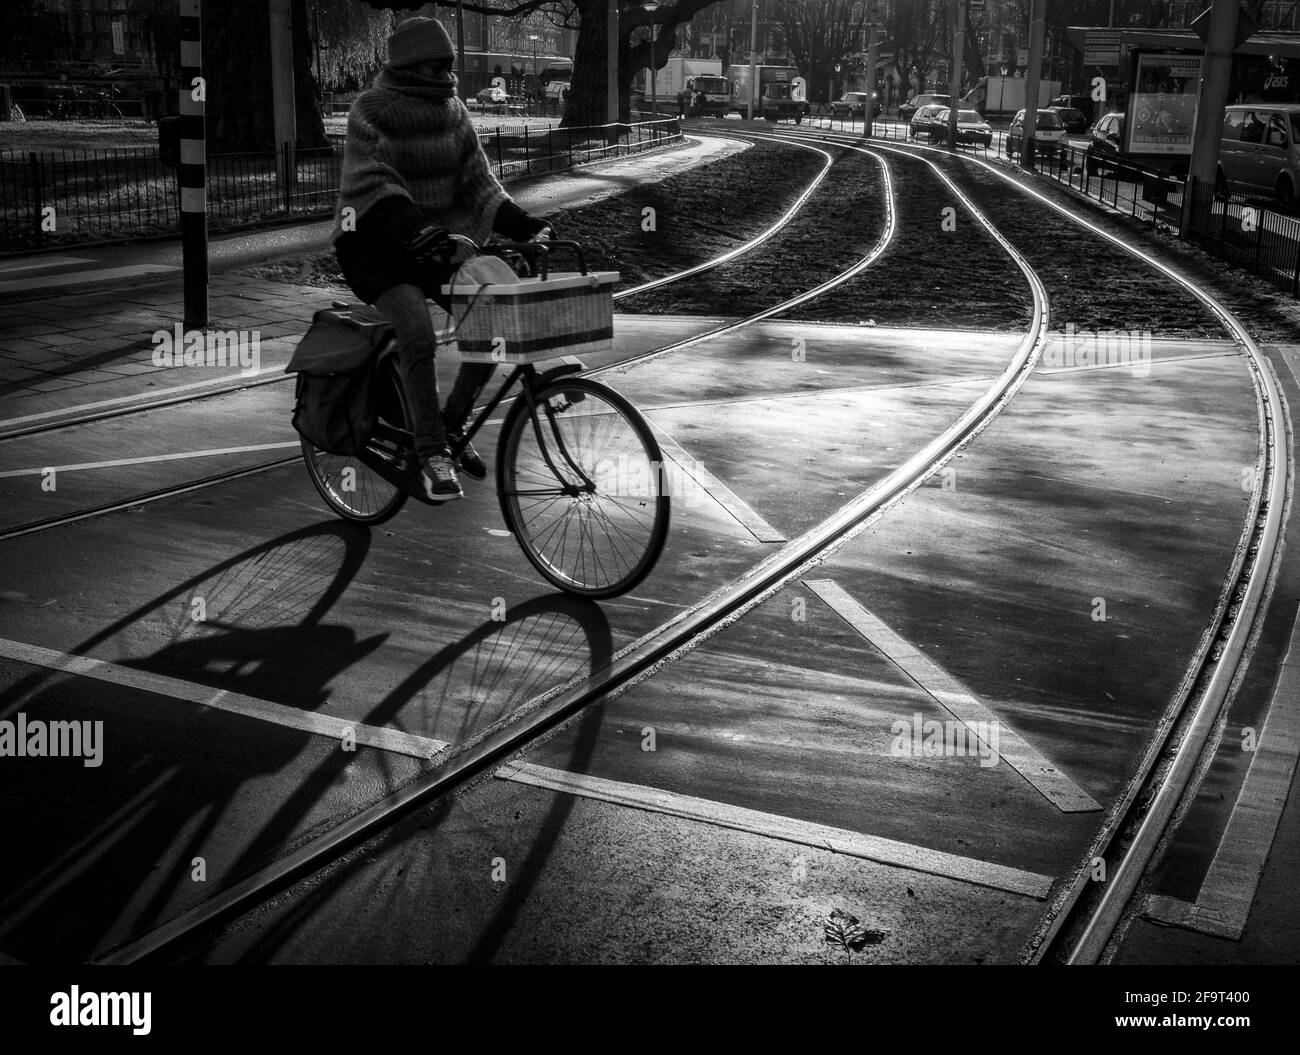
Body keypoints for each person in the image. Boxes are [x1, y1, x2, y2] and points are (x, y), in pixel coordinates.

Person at [332, 17, 550, 502]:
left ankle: (450, 427)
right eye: (439, 64)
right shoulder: (371, 110)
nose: (448, 73)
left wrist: (526, 225)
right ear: (411, 63)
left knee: (492, 321)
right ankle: (430, 451)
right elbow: (374, 184)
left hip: (436, 246)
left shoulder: (453, 112)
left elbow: (480, 183)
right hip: (375, 245)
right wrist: (421, 229)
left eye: (449, 64)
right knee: (416, 330)